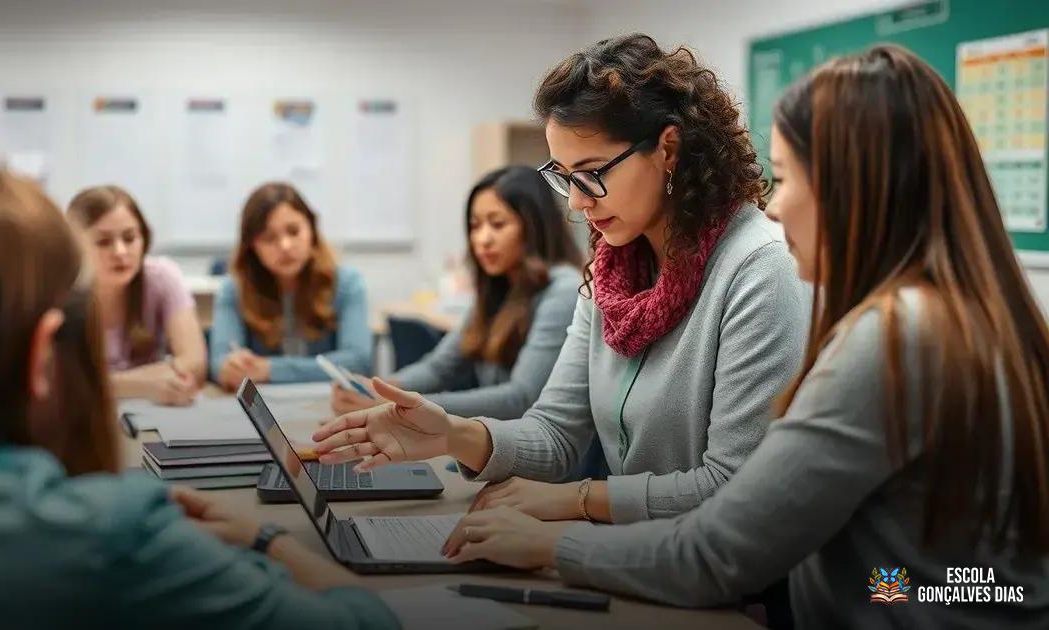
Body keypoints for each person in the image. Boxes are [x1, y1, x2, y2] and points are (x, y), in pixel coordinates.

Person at [347, 46, 1049, 629]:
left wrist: (560, 535)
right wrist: (456, 435)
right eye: (568, 179)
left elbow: (729, 545)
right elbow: (949, 575)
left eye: (794, 173)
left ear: (856, 187)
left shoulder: (884, 330)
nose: (777, 201)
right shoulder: (942, 314)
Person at [315, 33, 808, 527]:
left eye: (591, 173)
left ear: (668, 149)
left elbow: (732, 488)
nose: (575, 201)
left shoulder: (758, 268)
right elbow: (554, 433)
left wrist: (581, 501)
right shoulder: (612, 272)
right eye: (564, 176)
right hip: (635, 551)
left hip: (714, 580)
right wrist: (450, 435)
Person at [0, 146, 399, 629]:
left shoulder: (339, 282)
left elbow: (210, 366)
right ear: (42, 355)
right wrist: (268, 540)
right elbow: (368, 622)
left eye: (130, 237)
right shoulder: (111, 531)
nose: (120, 251)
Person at [331, 165, 583, 420]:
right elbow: (440, 368)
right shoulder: (499, 285)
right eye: (475, 226)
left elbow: (520, 399)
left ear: (534, 227)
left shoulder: (562, 290)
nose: (482, 239)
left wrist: (401, 404)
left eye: (497, 224)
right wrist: (379, 388)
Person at [210, 182, 371, 390]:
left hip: (329, 406)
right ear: (251, 247)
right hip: (264, 410)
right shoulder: (234, 289)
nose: (285, 246)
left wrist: (270, 370)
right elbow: (218, 362)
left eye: (294, 231)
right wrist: (228, 367)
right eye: (269, 238)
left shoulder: (347, 283)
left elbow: (358, 361)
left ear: (312, 230)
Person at [67, 185, 206, 405]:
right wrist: (141, 384)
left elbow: (195, 363)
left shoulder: (162, 277)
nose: (120, 252)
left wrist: (108, 384)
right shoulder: (60, 290)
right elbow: (61, 385)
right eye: (103, 242)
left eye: (130, 238)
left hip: (150, 413)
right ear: (75, 246)